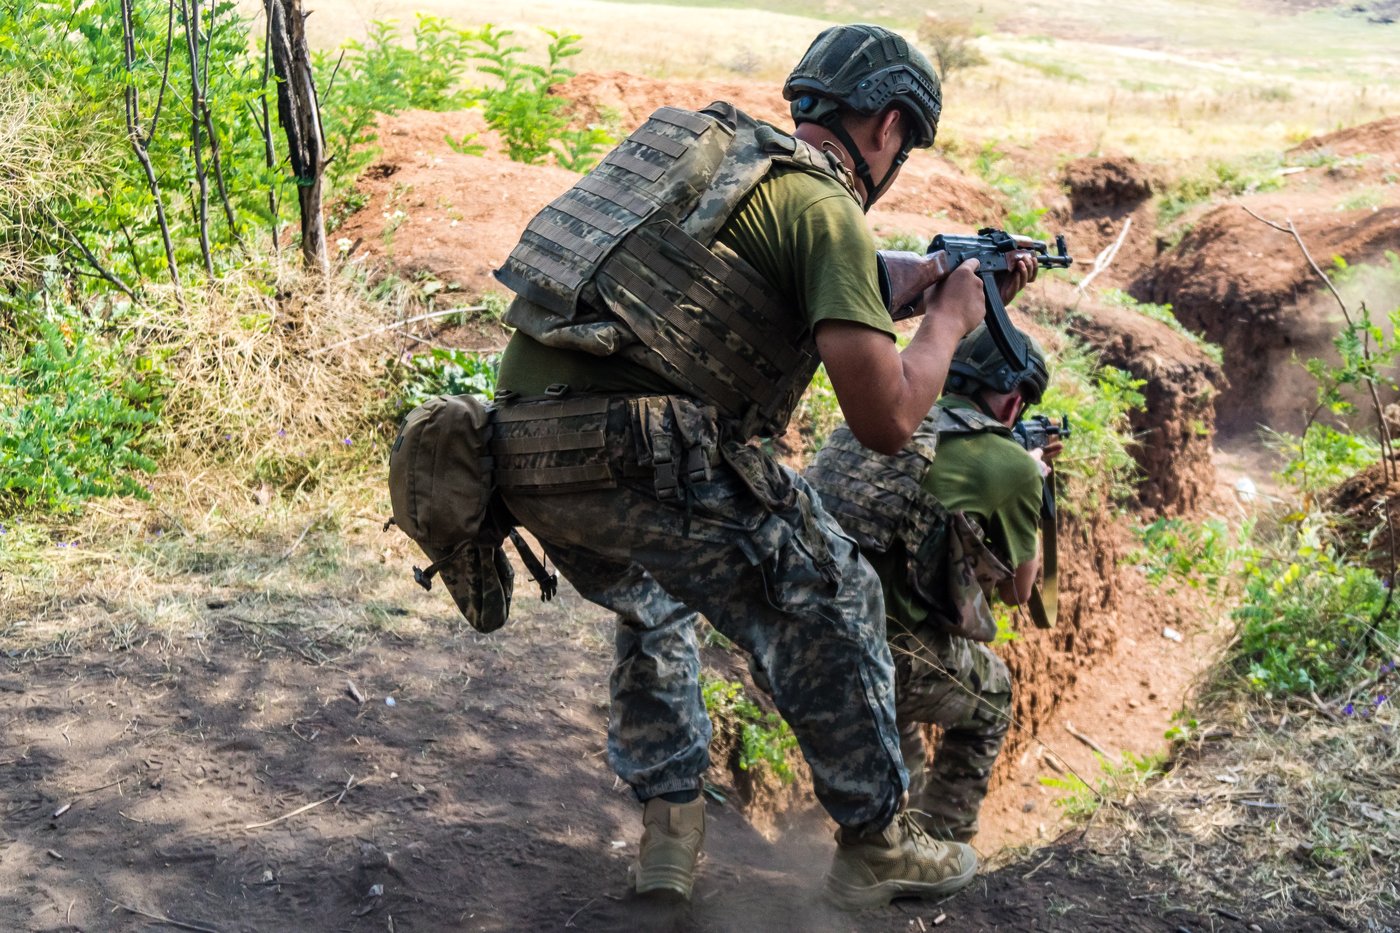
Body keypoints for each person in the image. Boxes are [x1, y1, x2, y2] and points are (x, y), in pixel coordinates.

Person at [486, 23, 1037, 909]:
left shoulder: (707, 154)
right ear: (890, 127)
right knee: (835, 589)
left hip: (515, 449)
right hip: (641, 451)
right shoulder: (827, 213)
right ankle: (876, 843)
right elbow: (889, 417)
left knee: (657, 590)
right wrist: (951, 319)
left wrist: (923, 273)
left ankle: (670, 826)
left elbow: (729, 281)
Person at [805, 323, 1060, 843]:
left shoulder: (878, 419)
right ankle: (946, 840)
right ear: (1013, 408)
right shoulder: (1011, 466)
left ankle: (901, 827)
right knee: (994, 699)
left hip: (795, 635)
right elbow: (1018, 592)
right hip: (878, 655)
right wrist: (1032, 479)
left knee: (900, 698)